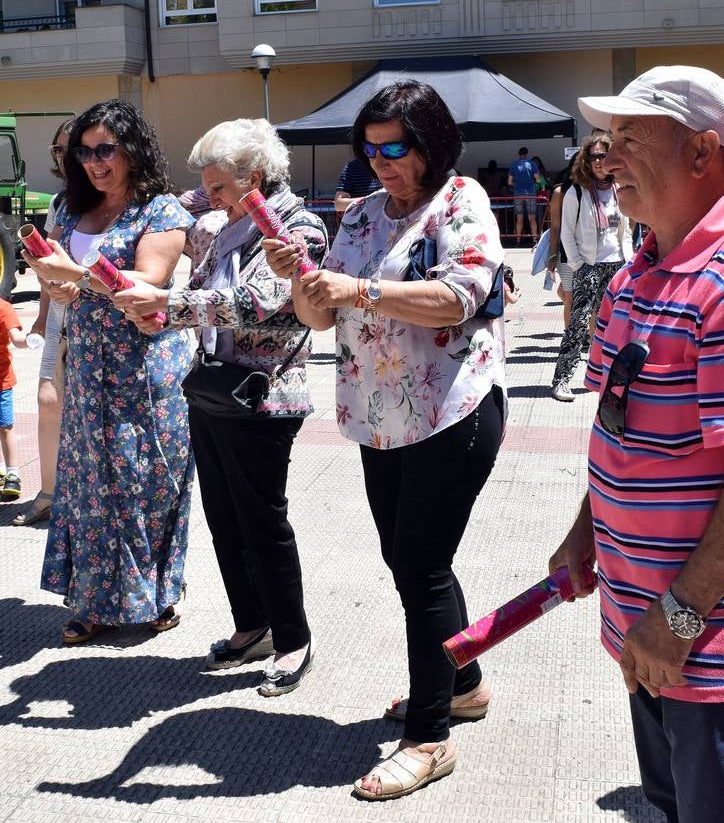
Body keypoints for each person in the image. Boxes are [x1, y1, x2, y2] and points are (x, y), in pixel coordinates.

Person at [548, 66, 724, 823]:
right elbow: (619, 424)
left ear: (703, 154)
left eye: (630, 139)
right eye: (606, 142)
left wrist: (679, 618)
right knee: (673, 805)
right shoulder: (640, 271)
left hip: (712, 638)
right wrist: (584, 532)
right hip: (655, 624)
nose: (606, 158)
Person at [262, 80, 505, 800]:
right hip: (381, 416)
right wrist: (301, 280)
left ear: (430, 143)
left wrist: (355, 289)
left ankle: (429, 736)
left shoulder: (459, 201)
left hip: (451, 410)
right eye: (369, 150)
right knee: (408, 560)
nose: (381, 162)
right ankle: (462, 681)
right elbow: (316, 316)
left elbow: (459, 297)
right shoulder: (362, 215)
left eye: (395, 147)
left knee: (423, 566)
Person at [114, 119, 327, 696]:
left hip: (264, 394)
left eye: (217, 186)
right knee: (224, 517)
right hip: (210, 385)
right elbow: (161, 204)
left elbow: (256, 303)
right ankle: (251, 624)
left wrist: (169, 302)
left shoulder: (296, 225)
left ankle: (292, 637)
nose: (206, 196)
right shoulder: (221, 220)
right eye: (206, 186)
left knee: (262, 519)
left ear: (253, 177)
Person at [22, 99, 195, 645]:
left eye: (106, 150)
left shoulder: (161, 212)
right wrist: (61, 287)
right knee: (89, 486)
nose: (95, 162)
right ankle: (94, 601)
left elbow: (145, 287)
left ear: (133, 150)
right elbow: (70, 290)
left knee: (147, 484)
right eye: (85, 151)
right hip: (88, 365)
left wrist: (75, 273)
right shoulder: (74, 211)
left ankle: (160, 594)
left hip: (143, 370)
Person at [13, 118, 73, 526]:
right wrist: (41, 318)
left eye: (77, 149)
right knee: (48, 403)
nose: (68, 158)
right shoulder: (60, 203)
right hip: (59, 317)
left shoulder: (114, 200)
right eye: (60, 150)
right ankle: (49, 493)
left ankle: (81, 493)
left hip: (97, 319)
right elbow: (43, 268)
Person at [550, 134, 633, 402]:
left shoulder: (620, 188)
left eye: (602, 155)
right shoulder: (577, 191)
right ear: (586, 160)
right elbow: (566, 232)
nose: (598, 161)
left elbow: (627, 230)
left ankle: (606, 379)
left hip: (617, 265)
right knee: (578, 324)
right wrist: (577, 265)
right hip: (589, 266)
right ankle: (561, 380)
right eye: (593, 156)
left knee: (613, 326)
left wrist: (628, 260)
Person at [0, 297, 29, 500]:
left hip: (1, 382)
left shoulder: (4, 308)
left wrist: (31, 339)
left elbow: (17, 338)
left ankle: (13, 474)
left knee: (6, 426)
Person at [545, 158, 578, 328]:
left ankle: (587, 335)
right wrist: (552, 255)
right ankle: (571, 341)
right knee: (570, 298)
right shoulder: (560, 192)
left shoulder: (595, 190)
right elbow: (555, 227)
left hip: (594, 252)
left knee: (592, 299)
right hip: (566, 251)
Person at [508, 146, 539, 244]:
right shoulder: (532, 164)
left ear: (519, 154)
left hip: (518, 194)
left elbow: (509, 182)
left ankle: (518, 239)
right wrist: (533, 183)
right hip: (530, 193)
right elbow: (538, 179)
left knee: (519, 218)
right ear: (526, 154)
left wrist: (516, 184)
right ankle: (534, 239)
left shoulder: (513, 165)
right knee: (532, 218)